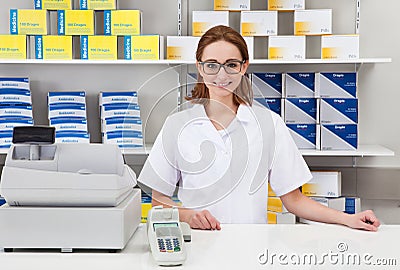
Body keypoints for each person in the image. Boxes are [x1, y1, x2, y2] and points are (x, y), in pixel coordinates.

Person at [138, 25, 380, 232]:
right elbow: (159, 202)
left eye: (231, 64)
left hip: (252, 247)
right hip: (197, 245)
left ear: (244, 67)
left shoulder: (268, 124)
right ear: (200, 68)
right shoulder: (177, 126)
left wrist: (348, 219)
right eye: (212, 65)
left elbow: (294, 200)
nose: (222, 74)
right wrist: (189, 216)